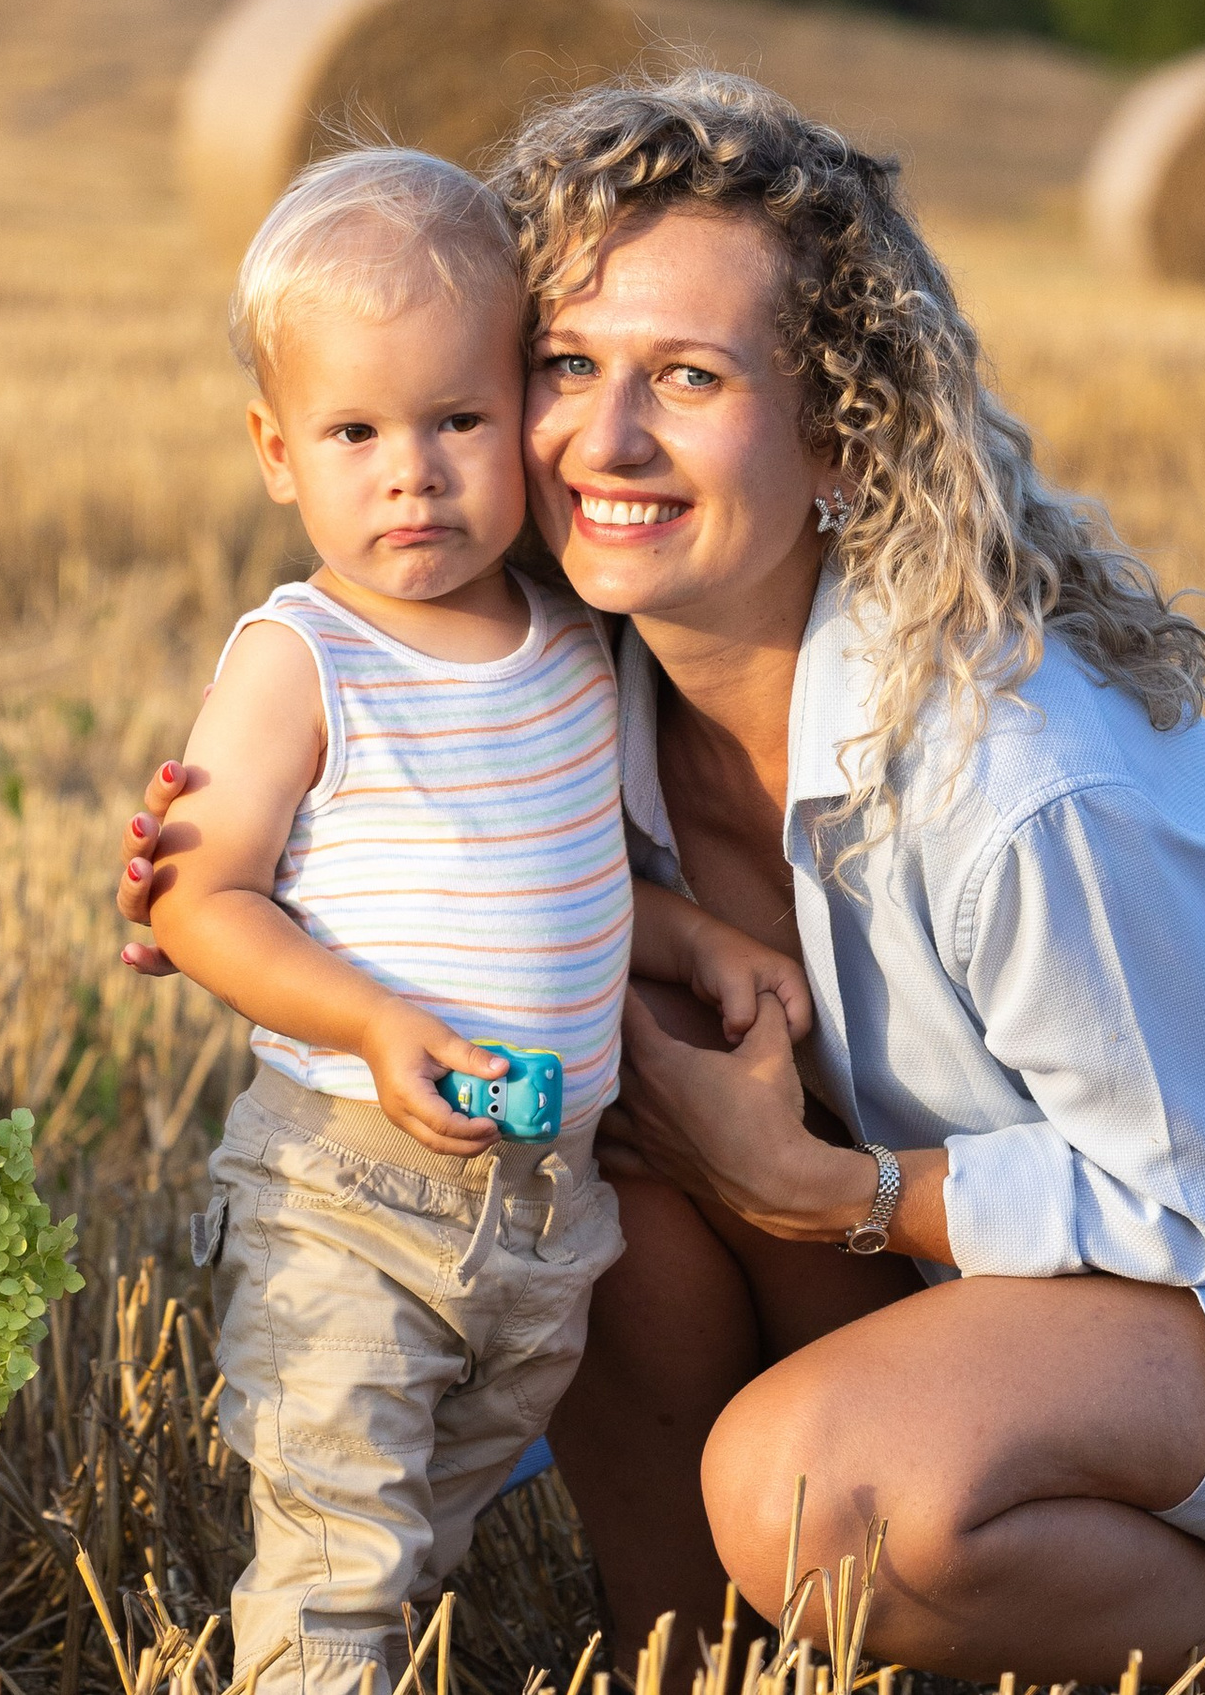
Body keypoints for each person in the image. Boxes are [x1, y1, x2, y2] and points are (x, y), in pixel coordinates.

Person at [124, 73, 1205, 1688]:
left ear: (840, 436)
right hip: (980, 1285)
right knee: (608, 1200)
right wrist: (231, 875)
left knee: (819, 1493)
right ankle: (698, 1661)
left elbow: (1189, 1204)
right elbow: (392, 872)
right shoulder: (586, 687)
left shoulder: (1014, 776)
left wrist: (825, 1196)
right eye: (567, 367)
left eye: (691, 378)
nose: (608, 436)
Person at [142, 146, 810, 1695]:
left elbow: (565, 869)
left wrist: (695, 941)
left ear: (525, 414)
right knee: (343, 1550)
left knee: (419, 1531)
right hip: (349, 1194)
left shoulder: (570, 641)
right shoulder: (300, 657)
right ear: (272, 448)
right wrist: (369, 1022)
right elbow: (197, 893)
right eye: (355, 431)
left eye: (460, 420)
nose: (413, 472)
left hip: (542, 1209)